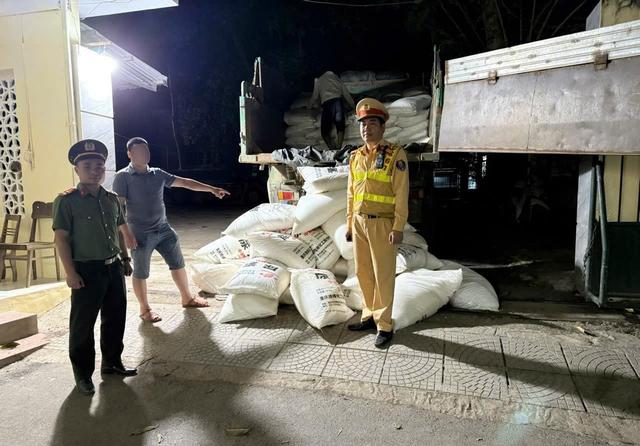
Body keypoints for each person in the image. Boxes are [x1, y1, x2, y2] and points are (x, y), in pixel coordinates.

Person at [112, 137, 230, 323]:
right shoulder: (123, 177)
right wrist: (126, 234)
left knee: (178, 264)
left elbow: (184, 182)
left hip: (164, 229)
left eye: (146, 150)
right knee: (140, 272)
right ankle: (145, 309)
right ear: (130, 154)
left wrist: (211, 189)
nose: (144, 154)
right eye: (139, 151)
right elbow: (118, 210)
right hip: (140, 234)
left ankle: (187, 298)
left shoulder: (157, 173)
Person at [53, 139, 138, 396]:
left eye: (99, 165)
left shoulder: (111, 199)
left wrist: (125, 259)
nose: (95, 170)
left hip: (113, 268)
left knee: (115, 318)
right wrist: (70, 273)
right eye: (87, 166)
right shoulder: (66, 201)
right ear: (77, 169)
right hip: (86, 271)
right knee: (83, 324)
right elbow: (61, 239)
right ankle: (82, 374)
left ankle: (112, 363)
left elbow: (118, 230)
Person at [345, 98, 410, 348]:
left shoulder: (395, 154)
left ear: (383, 127)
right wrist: (349, 224)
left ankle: (384, 324)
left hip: (382, 223)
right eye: (363, 124)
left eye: (372, 123)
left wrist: (398, 226)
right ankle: (369, 315)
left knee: (383, 275)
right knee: (363, 272)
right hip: (359, 222)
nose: (366, 128)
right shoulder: (355, 156)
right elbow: (351, 193)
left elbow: (401, 192)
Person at [309, 71, 355, 150]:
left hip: (327, 104)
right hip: (338, 102)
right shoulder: (337, 78)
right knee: (340, 126)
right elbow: (346, 94)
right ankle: (339, 147)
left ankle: (332, 148)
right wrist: (353, 106)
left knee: (324, 132)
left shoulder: (319, 80)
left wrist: (309, 106)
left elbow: (315, 96)